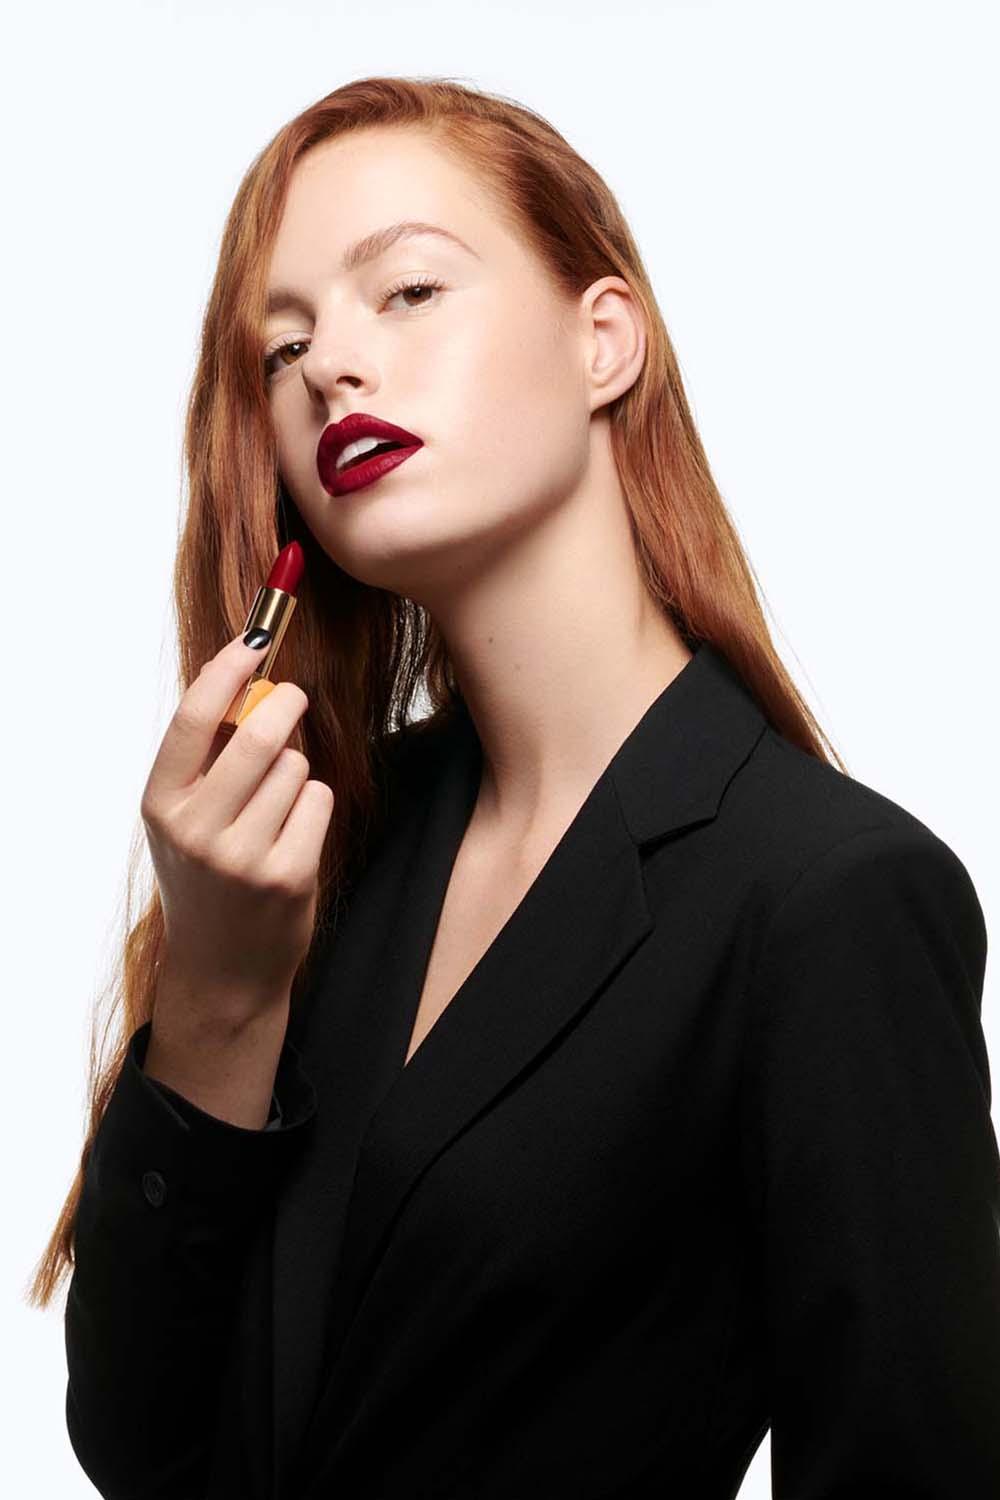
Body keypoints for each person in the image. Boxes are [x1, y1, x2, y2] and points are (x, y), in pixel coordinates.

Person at [31, 76, 1000, 1498]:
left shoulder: (828, 901)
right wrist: (220, 999)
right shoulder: (319, 852)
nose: (330, 367)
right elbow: (146, 1449)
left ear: (605, 340)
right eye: (283, 346)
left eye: (409, 291)